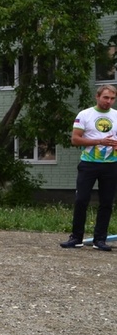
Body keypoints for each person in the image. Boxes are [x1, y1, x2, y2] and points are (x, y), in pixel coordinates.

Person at [60, 84, 117, 252]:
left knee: (106, 202)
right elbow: (75, 139)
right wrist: (99, 141)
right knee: (81, 200)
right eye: (105, 97)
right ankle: (76, 238)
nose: (108, 101)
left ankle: (100, 240)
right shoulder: (85, 114)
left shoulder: (116, 115)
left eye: (112, 98)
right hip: (89, 164)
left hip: (111, 165)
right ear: (97, 97)